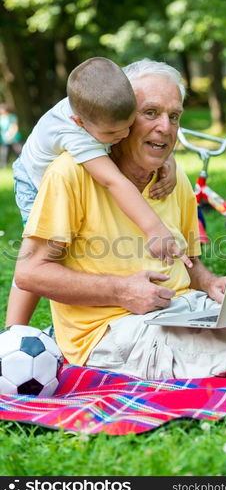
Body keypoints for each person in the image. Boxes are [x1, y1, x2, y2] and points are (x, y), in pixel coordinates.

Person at [13, 59, 226, 383]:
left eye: (174, 116)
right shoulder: (70, 173)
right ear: (124, 118)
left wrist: (210, 282)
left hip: (186, 310)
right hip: (114, 332)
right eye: (151, 113)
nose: (166, 127)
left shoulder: (174, 179)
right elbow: (30, 273)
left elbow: (189, 264)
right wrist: (120, 291)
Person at [6, 57, 191, 328]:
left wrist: (168, 161)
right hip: (33, 179)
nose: (124, 134)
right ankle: (13, 332)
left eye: (129, 126)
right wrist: (154, 228)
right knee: (42, 253)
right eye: (114, 133)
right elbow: (113, 181)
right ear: (79, 122)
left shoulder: (103, 106)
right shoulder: (76, 136)